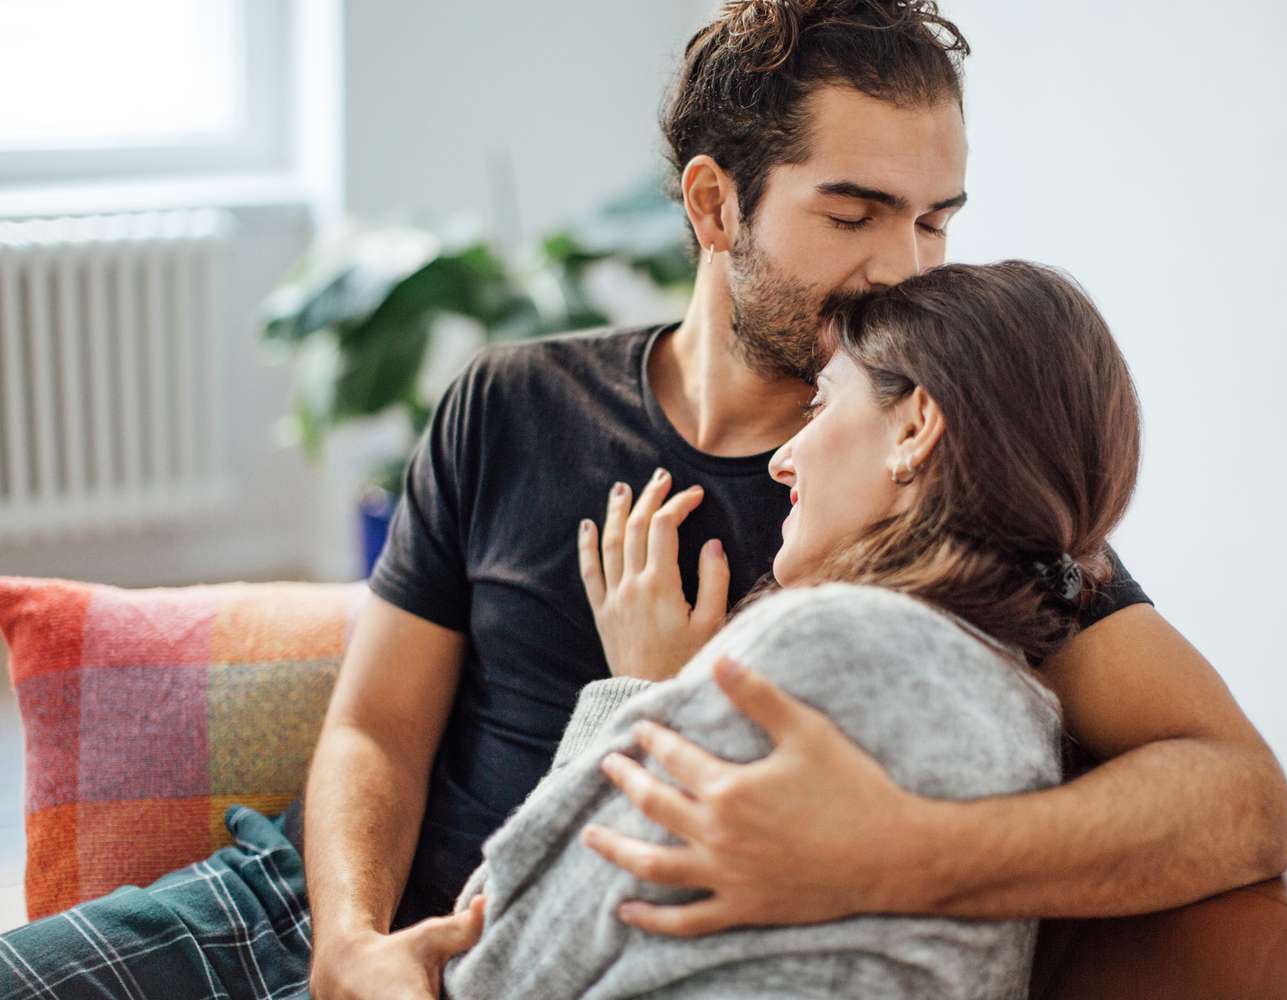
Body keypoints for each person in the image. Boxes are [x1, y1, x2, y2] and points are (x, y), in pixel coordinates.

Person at [0, 3, 1287, 999]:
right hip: (300, 906)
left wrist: (893, 854)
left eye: (934, 222)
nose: (901, 270)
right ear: (713, 201)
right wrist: (348, 943)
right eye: (854, 213)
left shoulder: (935, 482)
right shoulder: (511, 403)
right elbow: (377, 730)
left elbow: (1241, 797)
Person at [439, 259, 1142, 999]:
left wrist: (639, 692)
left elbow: (490, 953)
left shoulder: (825, 641)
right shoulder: (1024, 708)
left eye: (819, 406)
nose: (781, 460)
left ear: (914, 426)